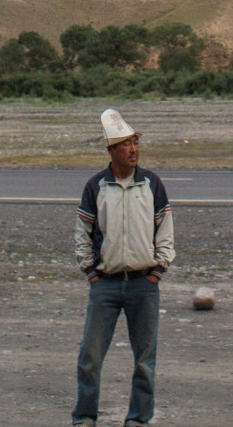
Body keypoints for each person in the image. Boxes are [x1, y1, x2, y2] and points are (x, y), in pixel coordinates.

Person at [72, 109, 175, 427]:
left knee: (145, 360)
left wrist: (159, 269)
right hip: (106, 284)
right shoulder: (96, 187)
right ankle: (85, 417)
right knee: (90, 357)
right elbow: (83, 234)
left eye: (135, 143)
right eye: (126, 144)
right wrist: (91, 272)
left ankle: (138, 420)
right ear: (111, 151)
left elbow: (165, 231)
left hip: (144, 283)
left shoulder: (151, 184)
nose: (134, 150)